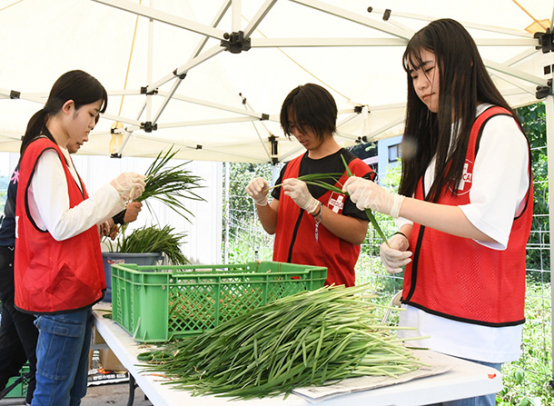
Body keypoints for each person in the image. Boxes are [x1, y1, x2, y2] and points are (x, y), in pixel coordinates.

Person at [342, 19, 533, 406]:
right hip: (422, 323)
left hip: (469, 330)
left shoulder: (497, 130)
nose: (421, 84)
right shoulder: (443, 136)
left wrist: (391, 202)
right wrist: (400, 236)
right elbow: (422, 215)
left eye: (427, 69)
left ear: (460, 63)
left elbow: (485, 224)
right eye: (413, 75)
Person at [13, 70, 145, 406]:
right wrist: (113, 191)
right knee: (54, 393)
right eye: (92, 115)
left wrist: (104, 215)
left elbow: (67, 221)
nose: (92, 125)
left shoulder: (58, 155)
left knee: (70, 391)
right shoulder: (46, 153)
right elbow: (59, 225)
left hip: (70, 293)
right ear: (69, 107)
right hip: (60, 294)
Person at [246, 83, 375, 287]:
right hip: (283, 288)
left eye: (303, 124)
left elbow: (358, 233)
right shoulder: (290, 168)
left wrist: (314, 207)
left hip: (328, 292)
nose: (298, 133)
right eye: (292, 126)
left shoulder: (356, 171)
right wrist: (260, 200)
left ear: (324, 118)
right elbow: (272, 226)